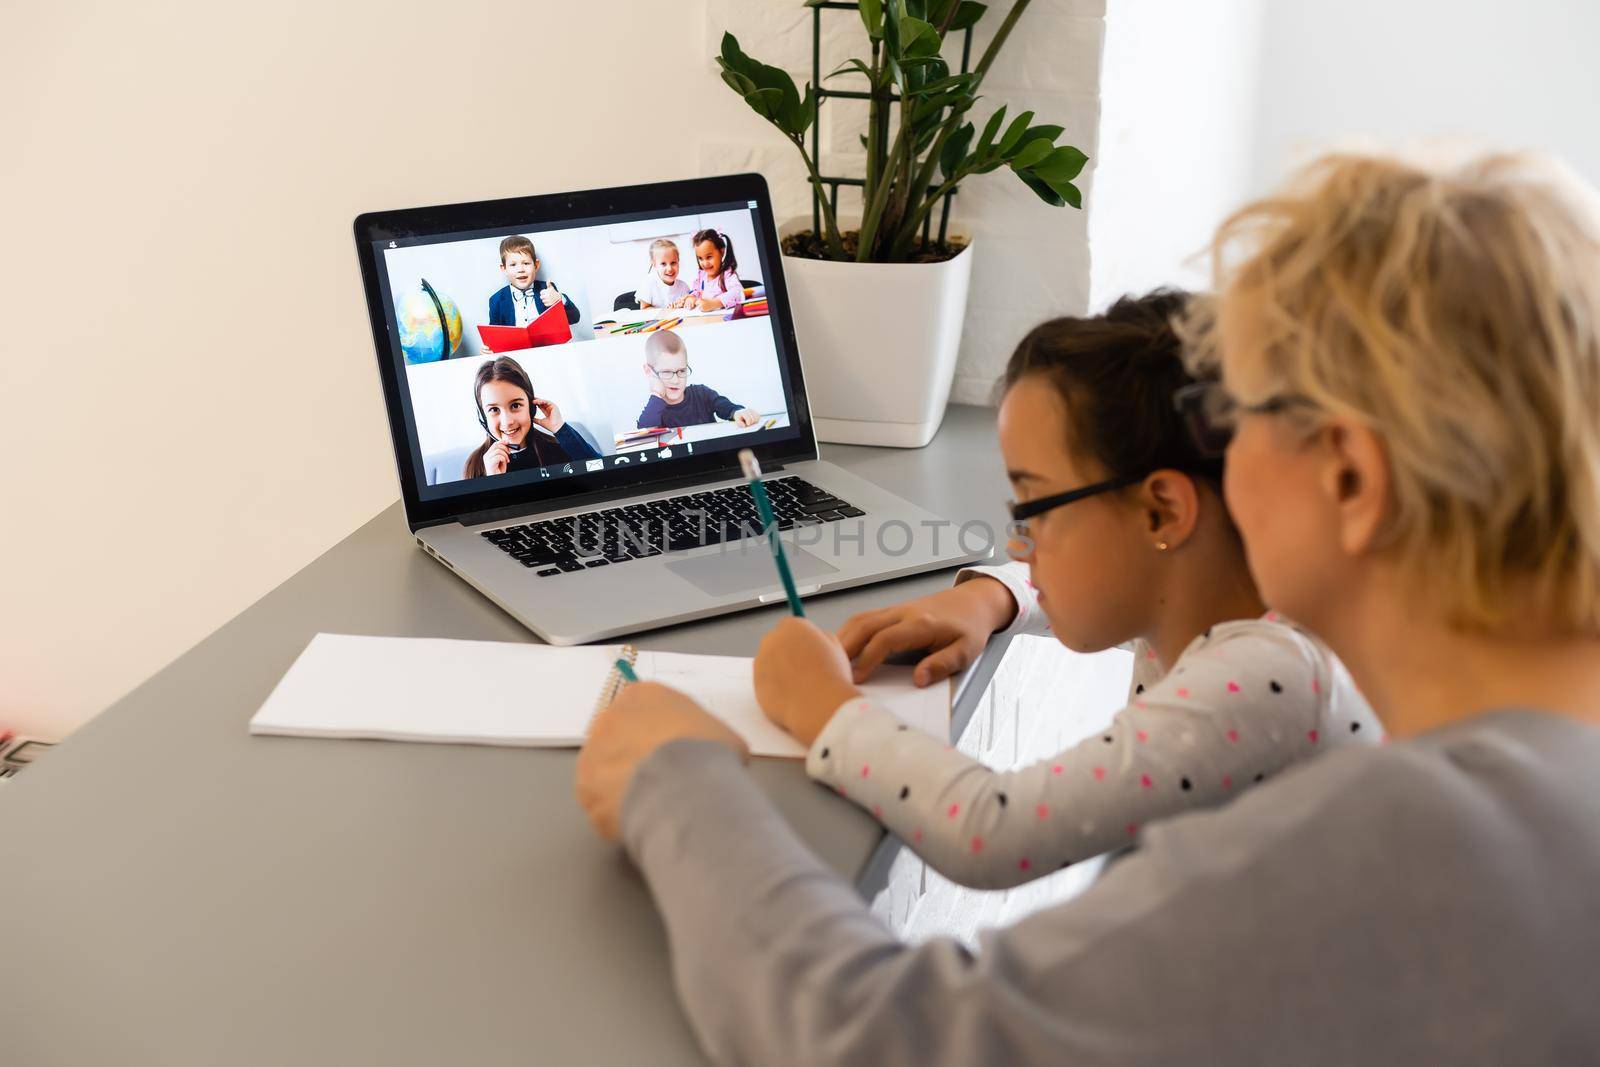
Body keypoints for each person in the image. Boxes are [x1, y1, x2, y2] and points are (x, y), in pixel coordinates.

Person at [576, 150, 1600, 1063]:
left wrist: (680, 779)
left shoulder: (1406, 837)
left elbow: (880, 1036)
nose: (1212, 459)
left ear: (1348, 478)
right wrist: (996, 588)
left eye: (1232, 417)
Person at [766, 290, 1379, 888]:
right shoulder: (1223, 596)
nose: (1017, 543)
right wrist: (989, 597)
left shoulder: (1273, 677)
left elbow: (995, 830)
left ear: (1162, 512)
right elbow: (1114, 575)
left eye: (1037, 505)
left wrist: (822, 708)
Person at [462, 356, 597, 478]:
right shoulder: (475, 465)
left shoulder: (559, 448)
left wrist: (561, 429)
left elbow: (600, 473)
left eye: (515, 405)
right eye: (494, 409)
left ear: (531, 407)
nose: (507, 421)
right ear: (483, 416)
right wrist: (494, 481)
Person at [636, 330, 759, 430]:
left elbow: (726, 407)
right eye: (666, 372)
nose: (676, 380)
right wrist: (657, 395)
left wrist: (737, 412)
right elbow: (644, 432)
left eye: (682, 371)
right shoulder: (655, 408)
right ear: (649, 371)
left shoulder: (701, 393)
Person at [485, 235, 581, 348]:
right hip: (516, 358)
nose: (520, 270)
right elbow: (495, 338)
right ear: (504, 269)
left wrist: (559, 299)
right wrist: (489, 348)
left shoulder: (547, 288)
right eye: (513, 265)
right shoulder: (496, 300)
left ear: (536, 265)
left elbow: (574, 317)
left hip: (550, 352)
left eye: (526, 263)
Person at [682, 228, 743, 311]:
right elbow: (697, 291)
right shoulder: (702, 274)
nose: (705, 263)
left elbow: (738, 292)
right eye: (700, 258)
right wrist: (691, 297)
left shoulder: (727, 274)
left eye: (709, 257)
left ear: (721, 252)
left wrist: (713, 304)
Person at [636, 238, 691, 309]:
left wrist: (681, 306)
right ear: (654, 264)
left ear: (678, 261)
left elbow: (687, 309)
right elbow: (644, 308)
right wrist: (665, 311)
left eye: (673, 263)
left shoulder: (683, 287)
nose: (669, 269)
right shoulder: (649, 283)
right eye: (663, 264)